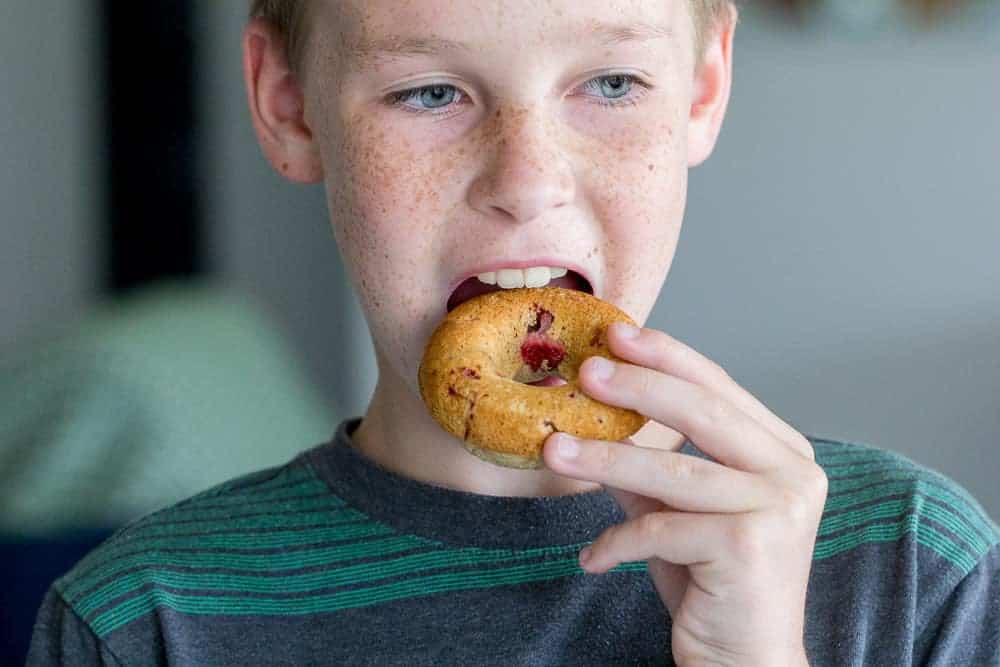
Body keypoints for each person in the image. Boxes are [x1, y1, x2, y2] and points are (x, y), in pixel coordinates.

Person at [27, 1, 999, 664]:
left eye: (611, 83)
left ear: (702, 86)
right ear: (288, 104)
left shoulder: (911, 566)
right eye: (429, 92)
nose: (527, 180)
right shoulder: (143, 622)